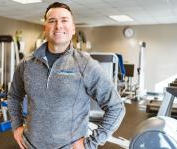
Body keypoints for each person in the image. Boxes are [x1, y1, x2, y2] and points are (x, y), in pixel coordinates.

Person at [8, 2, 125, 149]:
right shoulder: (27, 64)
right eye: (52, 21)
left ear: (73, 28)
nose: (58, 26)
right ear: (45, 28)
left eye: (64, 20)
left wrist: (90, 143)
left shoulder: (86, 64)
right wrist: (17, 125)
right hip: (30, 145)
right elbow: (14, 96)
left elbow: (116, 106)